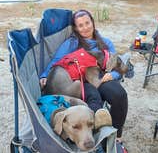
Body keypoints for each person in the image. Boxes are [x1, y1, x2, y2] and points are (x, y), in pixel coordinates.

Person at [40, 9, 128, 143]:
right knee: (94, 97)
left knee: (119, 94)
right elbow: (57, 60)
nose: (85, 27)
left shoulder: (106, 42)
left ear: (92, 22)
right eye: (80, 25)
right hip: (81, 80)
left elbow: (115, 62)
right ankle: (97, 136)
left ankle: (116, 135)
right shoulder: (72, 43)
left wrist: (113, 75)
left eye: (87, 23)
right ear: (76, 28)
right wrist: (45, 74)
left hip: (101, 77)